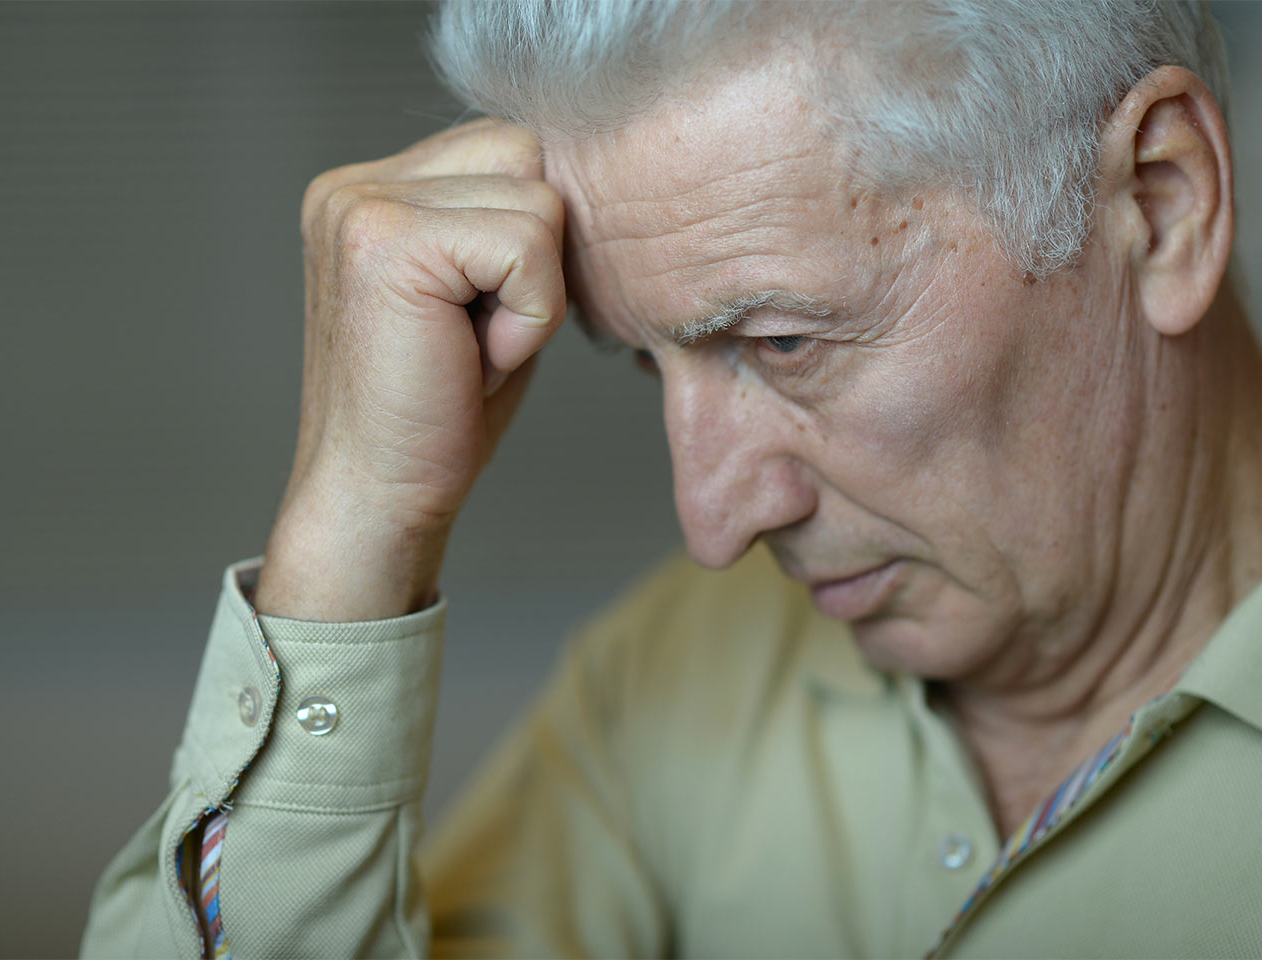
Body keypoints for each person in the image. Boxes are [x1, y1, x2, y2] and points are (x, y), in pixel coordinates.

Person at [81, 1, 1262, 956]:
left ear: (1160, 205)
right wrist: (354, 529)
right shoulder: (667, 676)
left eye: (785, 343)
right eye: (650, 363)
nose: (713, 525)